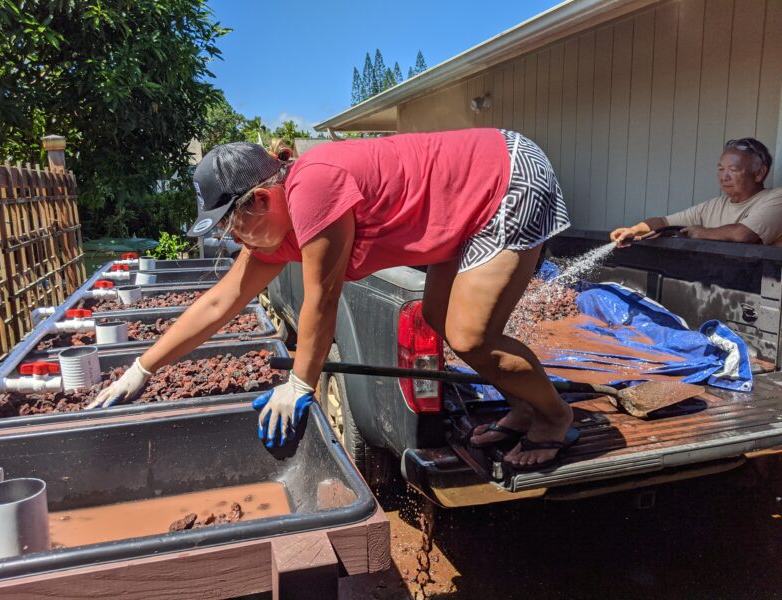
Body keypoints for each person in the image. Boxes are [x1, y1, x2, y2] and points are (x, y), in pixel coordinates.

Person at [88, 129, 579, 471]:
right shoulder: (273, 228)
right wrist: (143, 369)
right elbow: (221, 301)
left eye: (229, 223)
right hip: (465, 198)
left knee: (470, 335)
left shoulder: (313, 187)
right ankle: (523, 405)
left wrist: (300, 384)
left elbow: (321, 301)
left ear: (259, 200)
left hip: (507, 177)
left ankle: (555, 416)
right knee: (436, 317)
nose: (231, 237)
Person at [610, 138, 782, 246]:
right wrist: (633, 230)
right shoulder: (713, 206)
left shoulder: (776, 199)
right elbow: (664, 222)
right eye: (721, 169)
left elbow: (743, 235)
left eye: (733, 170)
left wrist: (702, 233)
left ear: (760, 173)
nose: (724, 177)